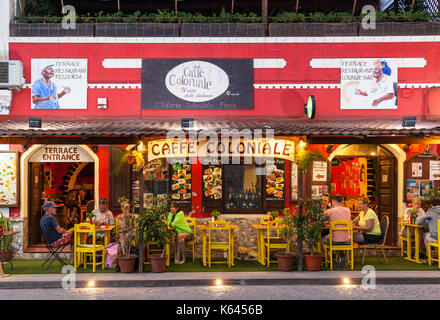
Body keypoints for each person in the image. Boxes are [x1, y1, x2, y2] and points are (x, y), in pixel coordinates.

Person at [322, 194, 352, 267]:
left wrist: (329, 222)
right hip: (347, 240)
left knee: (323, 240)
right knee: (341, 237)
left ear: (333, 201)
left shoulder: (330, 211)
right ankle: (342, 255)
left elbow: (321, 220)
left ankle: (331, 256)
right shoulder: (348, 210)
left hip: (334, 240)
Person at [416, 197, 440, 263]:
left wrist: (428, 222)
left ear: (432, 204)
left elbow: (419, 222)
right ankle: (436, 256)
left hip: (436, 237)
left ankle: (430, 258)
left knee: (425, 235)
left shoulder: (431, 211)